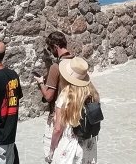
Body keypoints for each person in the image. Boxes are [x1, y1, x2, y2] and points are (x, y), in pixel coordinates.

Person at [50, 57, 100, 164]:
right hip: (88, 146)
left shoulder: (65, 96)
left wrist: (52, 147)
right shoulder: (93, 93)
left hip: (70, 148)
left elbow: (58, 128)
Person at [34, 31, 74, 163]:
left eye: (51, 49)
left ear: (55, 46)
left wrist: (40, 83)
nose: (51, 52)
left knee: (54, 154)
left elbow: (49, 96)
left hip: (59, 114)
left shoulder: (56, 67)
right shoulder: (77, 62)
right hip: (75, 113)